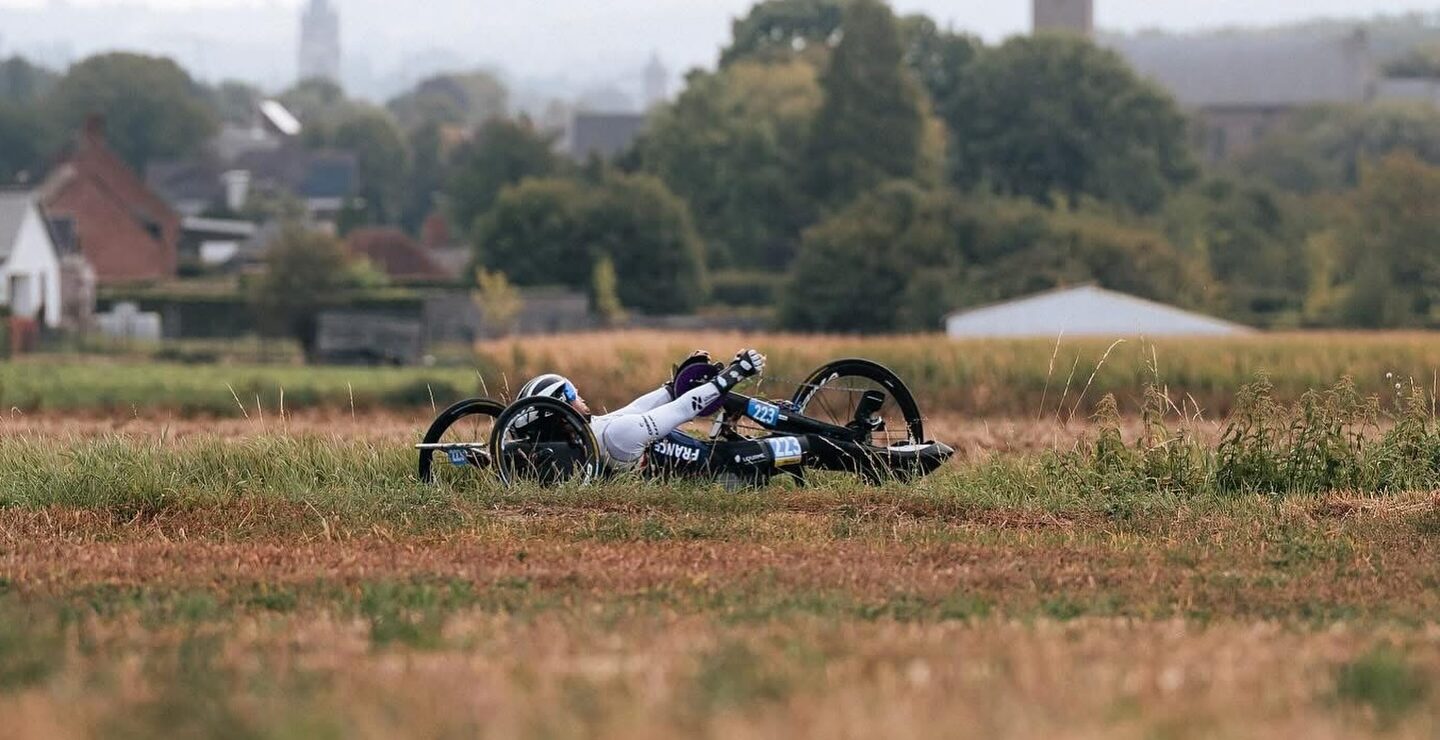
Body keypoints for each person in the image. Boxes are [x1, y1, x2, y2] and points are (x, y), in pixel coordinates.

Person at [515, 349, 766, 469]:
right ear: (558, 414)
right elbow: (682, 410)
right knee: (798, 447)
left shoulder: (592, 438)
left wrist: (672, 386)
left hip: (679, 451)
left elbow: (632, 409)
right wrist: (734, 373)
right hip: (717, 464)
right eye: (571, 393)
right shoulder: (615, 437)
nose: (578, 394)